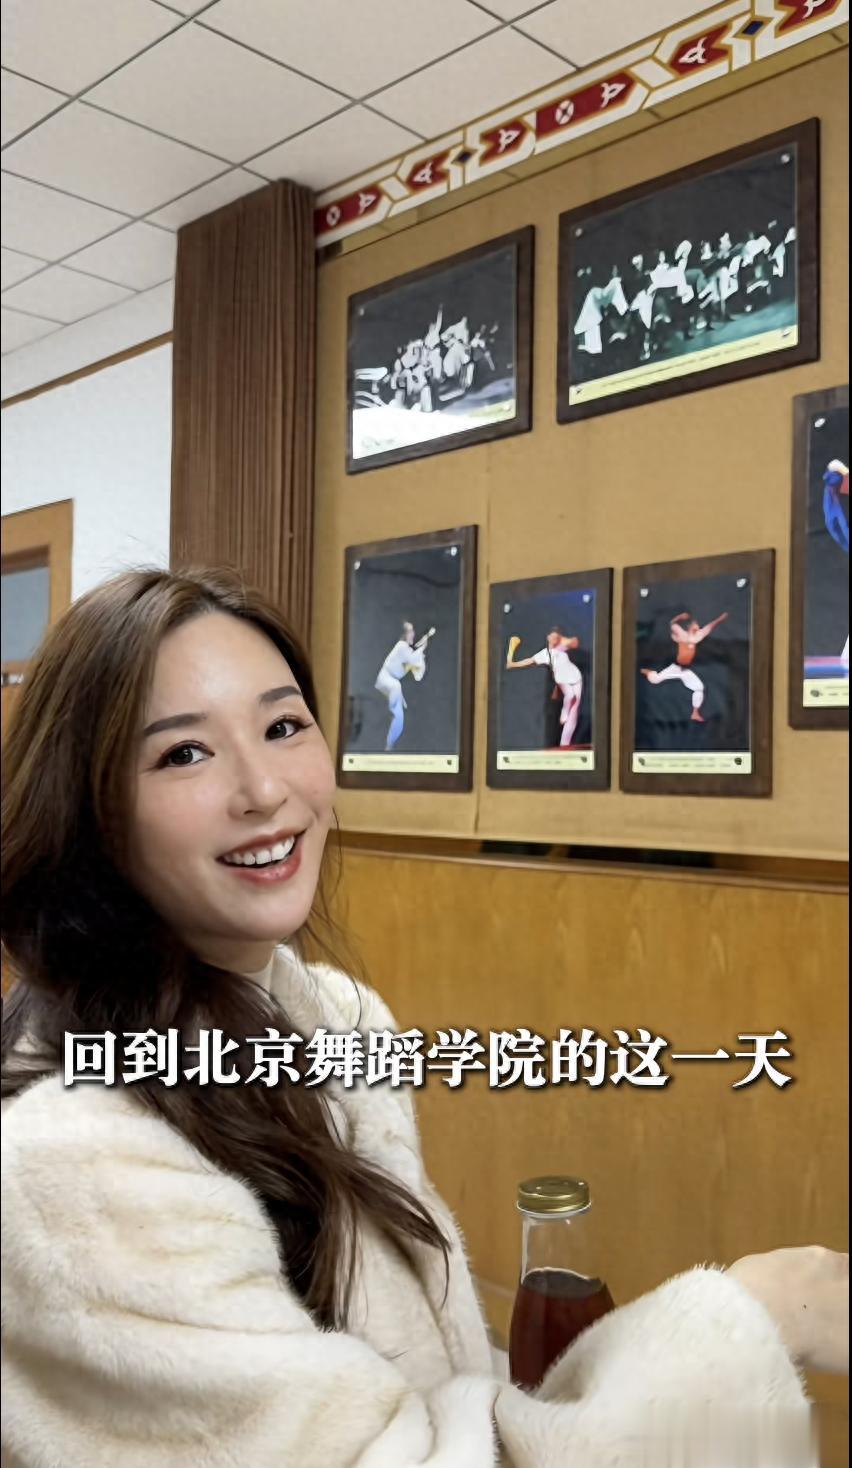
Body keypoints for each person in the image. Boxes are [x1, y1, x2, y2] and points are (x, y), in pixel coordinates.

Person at [1, 566, 847, 1468]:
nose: (264, 789)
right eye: (183, 754)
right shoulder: (73, 1170)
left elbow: (417, 1413)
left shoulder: (338, 1022)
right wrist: (761, 1310)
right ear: (87, 811)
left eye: (283, 727)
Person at [640, 610, 729, 723]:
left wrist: (720, 619)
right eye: (695, 626)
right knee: (655, 680)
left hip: (686, 671)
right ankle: (647, 671)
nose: (697, 627)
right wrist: (680, 617)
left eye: (697, 626)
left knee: (699, 688)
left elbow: (709, 627)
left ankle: (695, 713)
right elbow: (672, 624)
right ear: (690, 627)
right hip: (676, 668)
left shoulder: (697, 637)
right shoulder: (683, 636)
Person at [507, 627, 584, 748]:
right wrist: (513, 664)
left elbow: (575, 642)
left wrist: (563, 639)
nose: (555, 639)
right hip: (562, 678)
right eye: (552, 636)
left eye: (557, 637)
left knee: (573, 714)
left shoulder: (561, 647)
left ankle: (565, 744)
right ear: (548, 637)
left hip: (576, 677)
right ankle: (564, 712)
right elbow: (529, 661)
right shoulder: (544, 654)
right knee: (570, 695)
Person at [374, 619, 435, 750]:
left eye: (412, 631)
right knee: (397, 716)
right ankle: (388, 747)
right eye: (409, 631)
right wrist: (422, 648)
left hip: (391, 684)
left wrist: (421, 651)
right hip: (386, 681)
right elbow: (413, 658)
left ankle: (389, 746)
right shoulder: (401, 646)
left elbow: (418, 676)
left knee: (398, 717)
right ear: (403, 634)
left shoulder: (407, 651)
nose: (413, 634)